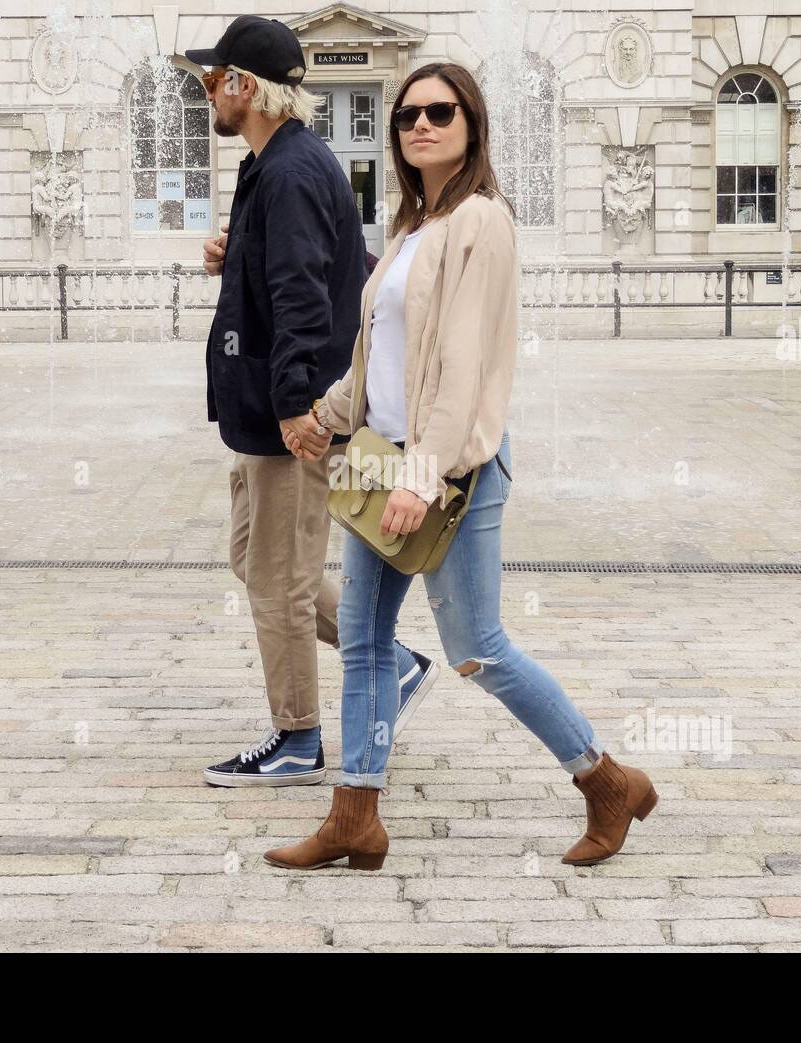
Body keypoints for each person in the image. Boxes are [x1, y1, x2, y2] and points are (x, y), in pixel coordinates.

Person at [266, 62, 658, 867]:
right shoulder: (413, 226)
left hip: (455, 471)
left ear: (472, 124)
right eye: (407, 114)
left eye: (440, 112)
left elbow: (464, 366)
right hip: (383, 466)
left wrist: (425, 475)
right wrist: (325, 418)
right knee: (369, 643)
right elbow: (380, 357)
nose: (420, 125)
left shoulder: (484, 222)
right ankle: (356, 814)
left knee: (477, 646)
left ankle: (606, 780)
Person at [188, 16, 438, 787]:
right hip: (262, 412)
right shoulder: (275, 165)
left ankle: (297, 737)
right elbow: (340, 265)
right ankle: (392, 660)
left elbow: (302, 298)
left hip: (287, 415)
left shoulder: (291, 171)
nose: (206, 92)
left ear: (242, 86)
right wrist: (238, 256)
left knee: (277, 582)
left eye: (212, 78)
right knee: (253, 561)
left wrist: (300, 406)